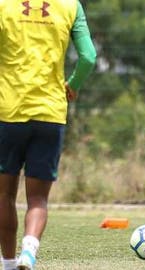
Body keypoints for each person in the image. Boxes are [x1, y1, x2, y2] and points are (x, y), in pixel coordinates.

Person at [0, 0, 96, 269]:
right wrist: (73, 85)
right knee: (38, 198)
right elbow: (88, 57)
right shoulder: (70, 6)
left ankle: (7, 263)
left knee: (4, 195)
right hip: (50, 113)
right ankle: (29, 250)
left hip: (8, 112)